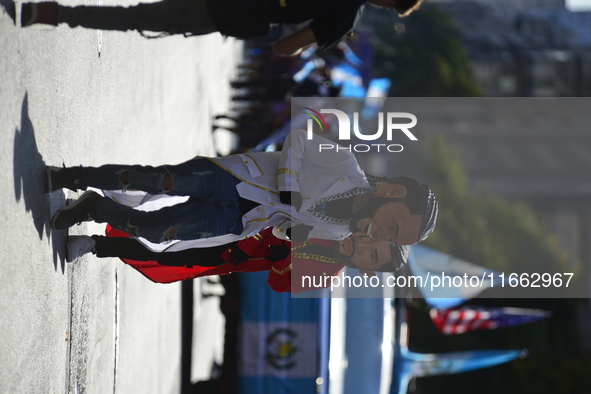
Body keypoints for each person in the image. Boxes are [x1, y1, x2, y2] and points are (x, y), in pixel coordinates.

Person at [46, 129, 438, 251]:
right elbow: (300, 136)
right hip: (238, 176)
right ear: (394, 195)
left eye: (393, 239)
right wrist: (288, 184)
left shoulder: (343, 232)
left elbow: (288, 226)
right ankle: (79, 176)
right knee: (159, 180)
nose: (385, 235)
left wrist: (290, 233)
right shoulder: (346, 166)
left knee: (155, 232)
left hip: (241, 218)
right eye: (395, 226)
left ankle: (93, 208)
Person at [66, 226, 408, 293]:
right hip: (237, 225)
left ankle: (95, 244)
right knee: (167, 223)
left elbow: (279, 285)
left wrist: (279, 263)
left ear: (368, 269)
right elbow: (285, 216)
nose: (368, 248)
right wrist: (264, 240)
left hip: (230, 258)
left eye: (374, 257)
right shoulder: (337, 226)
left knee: (168, 255)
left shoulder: (328, 275)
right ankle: (102, 204)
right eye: (375, 245)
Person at [20, 0, 424, 55]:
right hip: (232, 11)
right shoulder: (342, 19)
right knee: (140, 19)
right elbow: (286, 47)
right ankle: (52, 13)